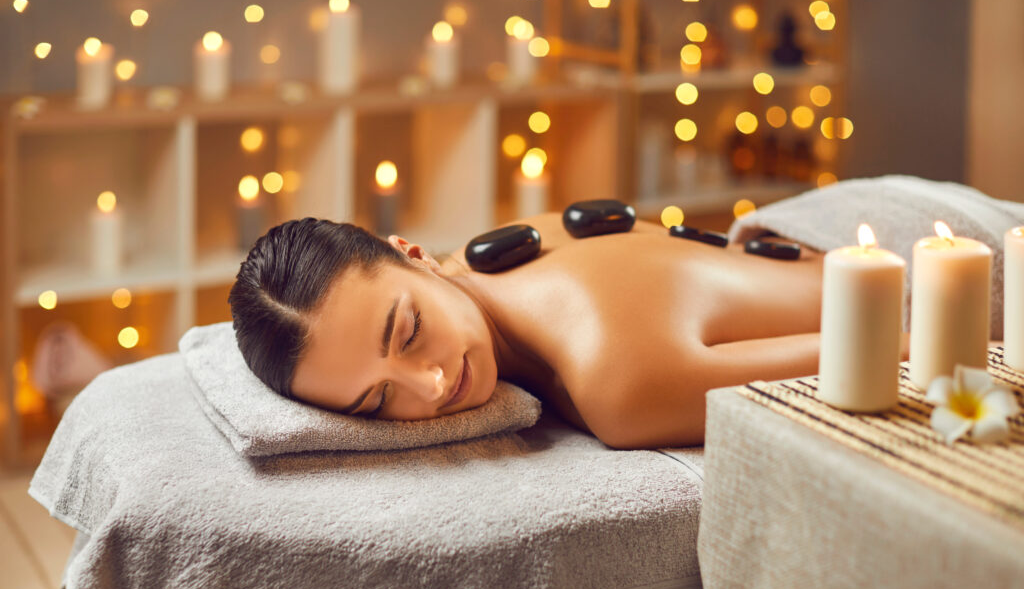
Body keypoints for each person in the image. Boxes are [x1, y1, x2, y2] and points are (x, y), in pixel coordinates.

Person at [229, 208, 870, 449]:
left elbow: (881, 352)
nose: (428, 387)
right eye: (376, 401)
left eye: (410, 332)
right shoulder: (480, 259)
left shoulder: (616, 383)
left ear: (413, 253)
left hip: (894, 267)